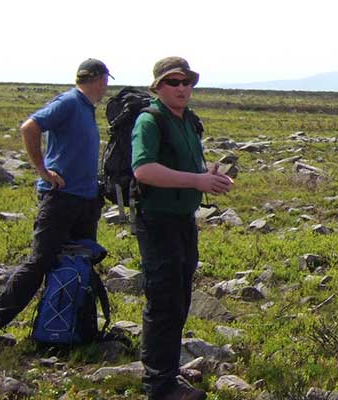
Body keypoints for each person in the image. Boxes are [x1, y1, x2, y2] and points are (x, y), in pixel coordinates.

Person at [0, 59, 112, 337]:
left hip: (85, 199)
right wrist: (43, 170)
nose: (106, 87)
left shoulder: (85, 108)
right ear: (99, 80)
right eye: (105, 81)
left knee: (79, 259)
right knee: (41, 260)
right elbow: (30, 127)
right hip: (61, 197)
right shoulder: (70, 101)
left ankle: (75, 328)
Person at [130, 57, 233, 400]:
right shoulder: (150, 120)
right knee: (163, 299)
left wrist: (209, 178)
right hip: (157, 221)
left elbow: (190, 169)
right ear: (158, 86)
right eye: (174, 82)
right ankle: (158, 385)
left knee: (180, 296)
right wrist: (197, 180)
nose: (182, 88)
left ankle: (168, 369)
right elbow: (143, 170)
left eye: (187, 82)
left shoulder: (188, 120)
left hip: (183, 220)